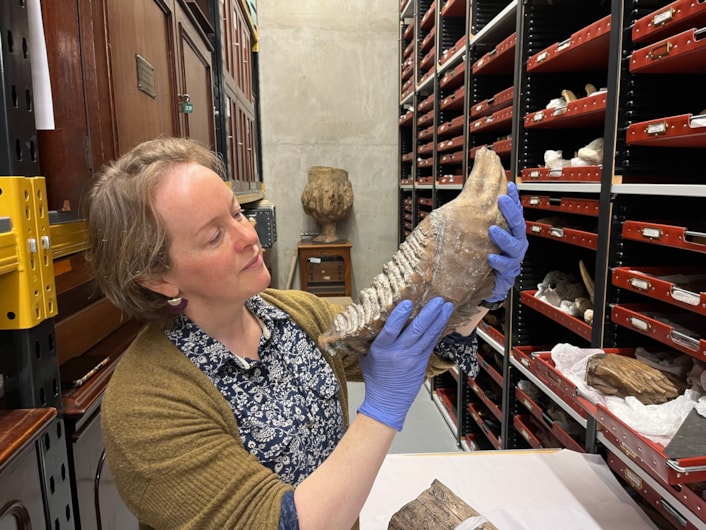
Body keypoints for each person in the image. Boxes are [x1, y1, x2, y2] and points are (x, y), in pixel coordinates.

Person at [84, 137, 527, 530]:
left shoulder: (294, 313)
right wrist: (383, 408)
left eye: (238, 213)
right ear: (157, 278)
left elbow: (411, 347)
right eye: (215, 235)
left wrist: (477, 298)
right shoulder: (145, 405)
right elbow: (278, 522)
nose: (248, 237)